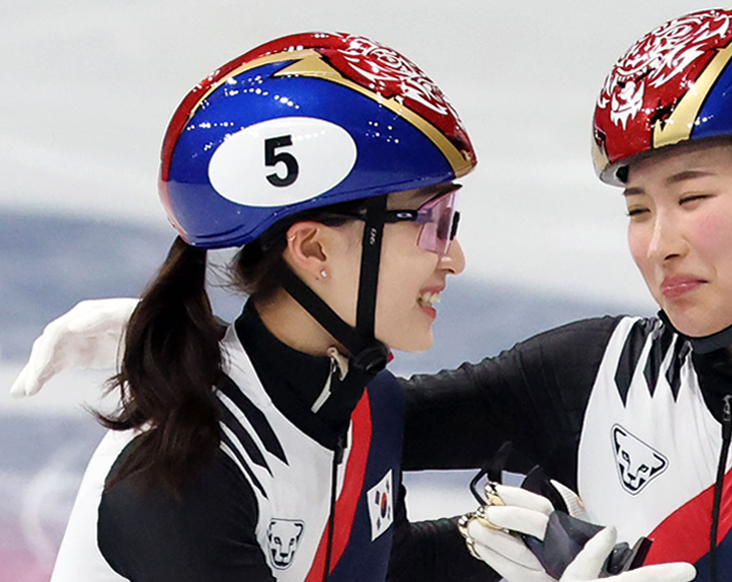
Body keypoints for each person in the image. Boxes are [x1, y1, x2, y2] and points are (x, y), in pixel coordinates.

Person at [14, 8, 732, 582]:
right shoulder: (592, 372)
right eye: (637, 206)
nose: (658, 244)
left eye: (693, 198)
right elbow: (319, 433)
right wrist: (194, 345)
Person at [34, 30, 480, 582]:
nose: (454, 258)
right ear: (313, 248)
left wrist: (502, 551)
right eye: (430, 223)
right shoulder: (184, 475)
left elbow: (381, 563)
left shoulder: (364, 405)